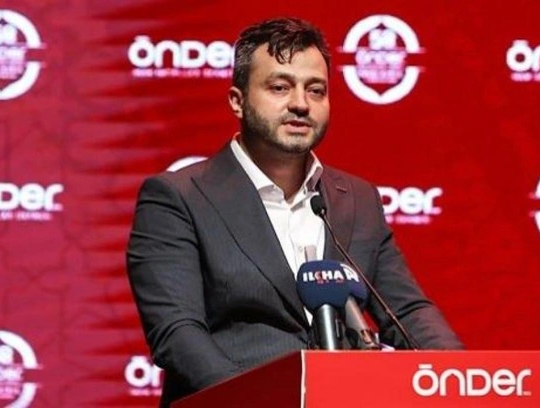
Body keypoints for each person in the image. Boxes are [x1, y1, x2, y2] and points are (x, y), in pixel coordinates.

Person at [126, 17, 462, 405]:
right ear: (237, 100)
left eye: (315, 90)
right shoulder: (178, 197)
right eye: (280, 87)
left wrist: (460, 379)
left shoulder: (357, 198)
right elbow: (178, 334)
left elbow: (407, 312)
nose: (300, 104)